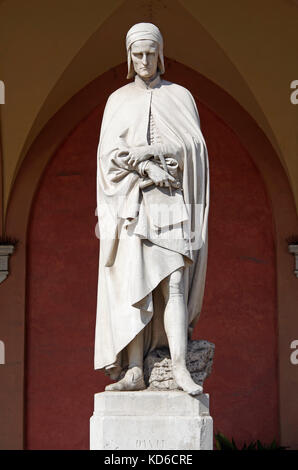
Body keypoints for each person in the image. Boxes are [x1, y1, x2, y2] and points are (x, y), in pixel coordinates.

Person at [94, 23, 209, 395]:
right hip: (131, 205)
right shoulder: (118, 100)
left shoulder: (181, 96)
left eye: (149, 53)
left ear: (160, 54)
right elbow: (108, 158)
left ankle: (177, 367)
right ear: (129, 57)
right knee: (134, 284)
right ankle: (134, 370)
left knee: (174, 282)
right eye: (137, 54)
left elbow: (196, 150)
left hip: (171, 203)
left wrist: (153, 152)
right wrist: (143, 167)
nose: (144, 61)